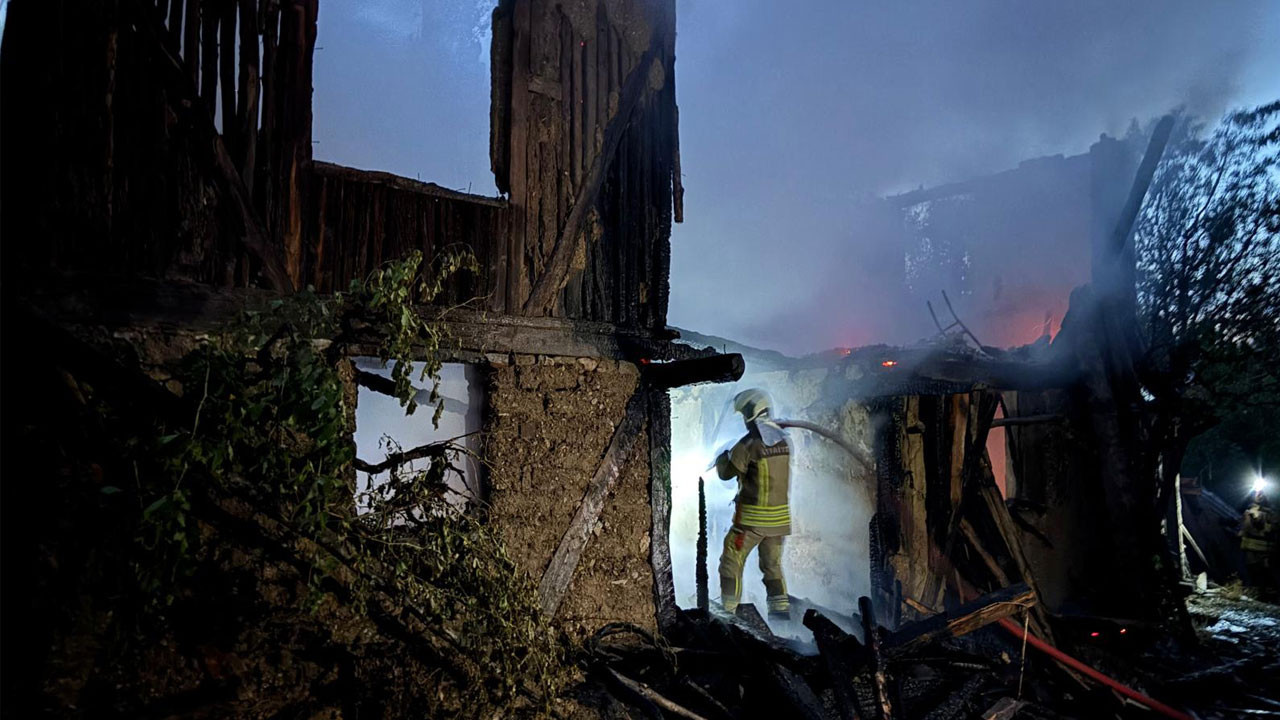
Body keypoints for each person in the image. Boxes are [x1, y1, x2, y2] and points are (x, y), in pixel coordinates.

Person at [715, 388, 793, 620]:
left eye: (744, 415)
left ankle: (728, 614)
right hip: (779, 522)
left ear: (751, 413)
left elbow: (726, 473)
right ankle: (781, 616)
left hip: (752, 521)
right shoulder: (783, 440)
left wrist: (721, 458)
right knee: (772, 567)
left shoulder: (748, 444)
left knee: (731, 560)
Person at [1241, 488, 1277, 598]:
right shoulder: (1249, 510)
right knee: (1251, 570)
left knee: (1263, 572)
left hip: (1262, 549)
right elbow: (1244, 526)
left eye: (1261, 493)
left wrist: (1258, 519)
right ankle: (1254, 591)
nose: (1258, 495)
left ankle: (1265, 594)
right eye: (1257, 492)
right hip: (1249, 547)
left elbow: (1271, 529)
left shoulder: (1271, 513)